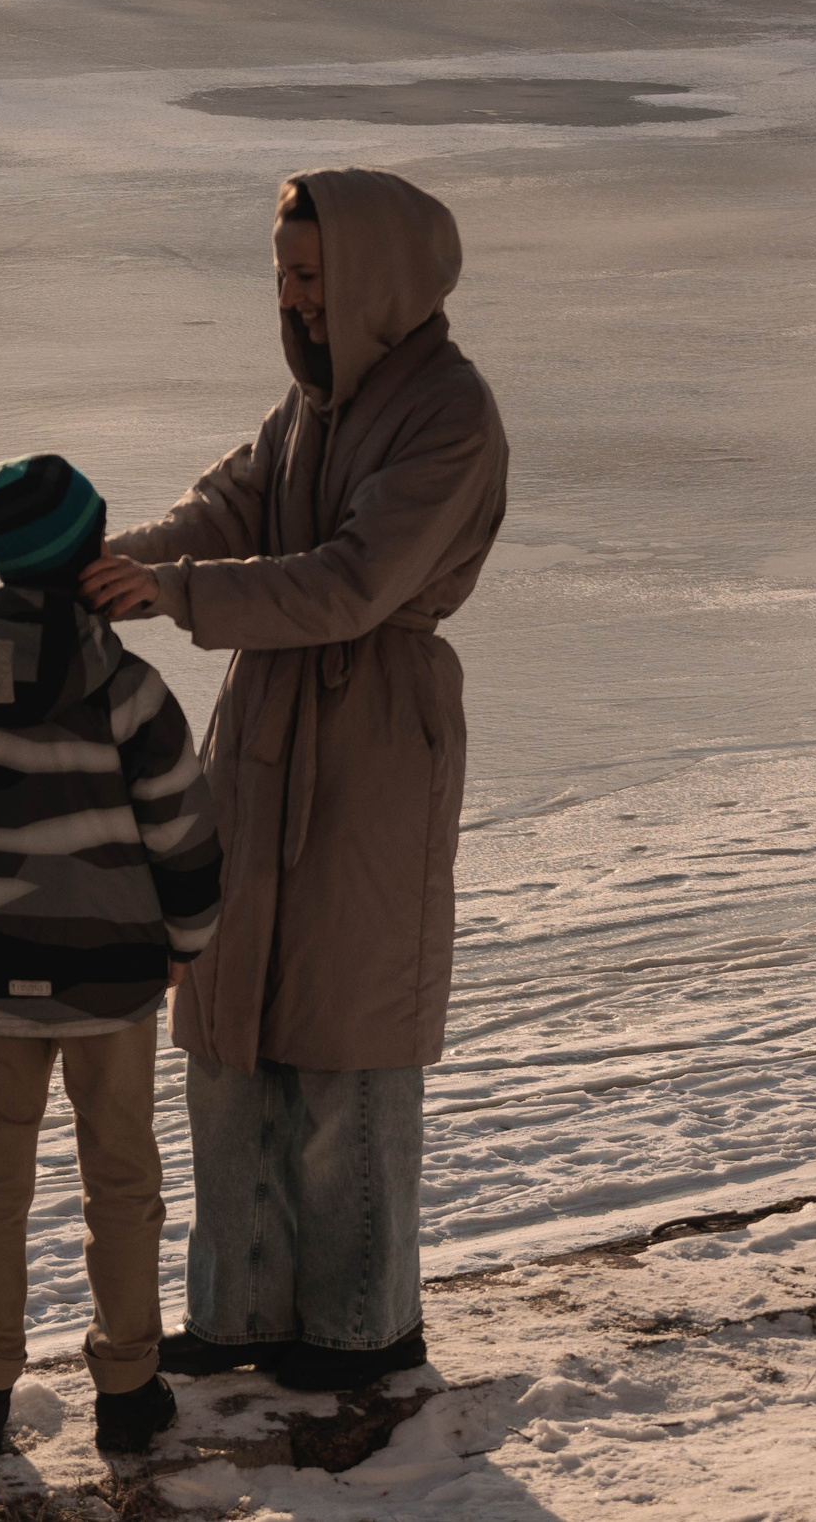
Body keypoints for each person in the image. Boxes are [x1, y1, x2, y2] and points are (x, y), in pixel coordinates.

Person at [80, 170, 509, 1393]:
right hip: (263, 730)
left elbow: (353, 580)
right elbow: (224, 512)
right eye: (281, 274)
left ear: (376, 276)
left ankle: (363, 1330)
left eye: (312, 275)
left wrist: (175, 594)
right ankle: (240, 1314)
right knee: (233, 1033)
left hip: (372, 742)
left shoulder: (450, 413)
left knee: (345, 1044)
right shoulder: (309, 405)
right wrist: (105, 569)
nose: (292, 297)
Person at [0, 453, 225, 1456]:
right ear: (89, 556)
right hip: (113, 976)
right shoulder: (125, 688)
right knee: (120, 1177)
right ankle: (128, 1387)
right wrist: (184, 943)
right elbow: (183, 832)